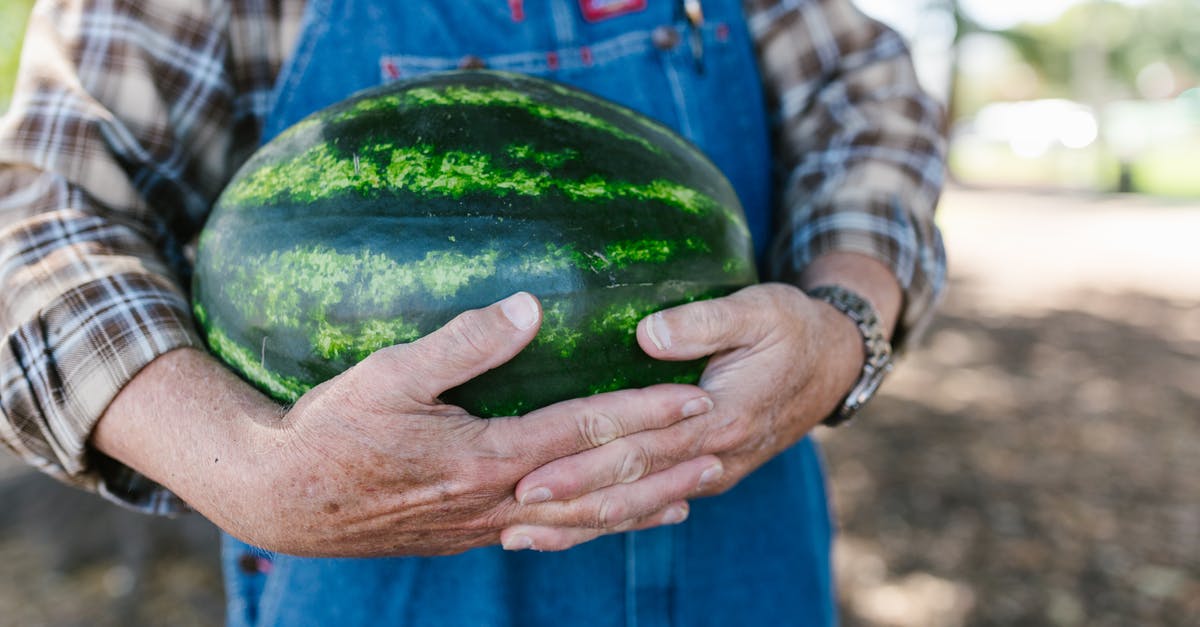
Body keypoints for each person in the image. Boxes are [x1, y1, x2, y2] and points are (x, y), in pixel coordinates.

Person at [0, 0, 946, 624]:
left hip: (741, 569)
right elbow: (34, 223)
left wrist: (841, 324)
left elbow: (863, 94)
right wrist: (252, 467)